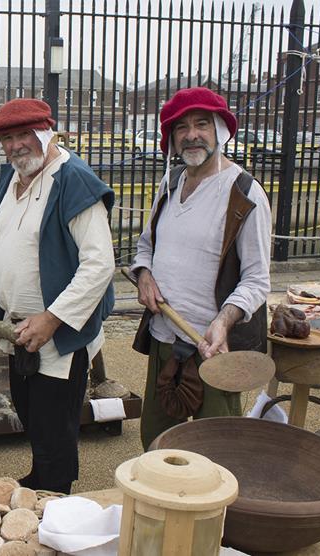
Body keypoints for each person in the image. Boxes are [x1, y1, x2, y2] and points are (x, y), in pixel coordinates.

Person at [0, 98, 116, 495]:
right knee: (31, 411)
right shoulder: (11, 178)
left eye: (24, 134)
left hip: (58, 331)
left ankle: (57, 494)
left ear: (44, 132)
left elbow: (99, 265)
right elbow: (0, 248)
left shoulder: (73, 179)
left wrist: (51, 319)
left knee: (56, 423)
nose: (15, 145)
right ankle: (41, 479)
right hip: (18, 328)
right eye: (6, 138)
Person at [130, 87, 271, 450]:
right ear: (172, 139)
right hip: (165, 338)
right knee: (159, 446)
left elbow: (257, 280)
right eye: (181, 128)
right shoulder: (171, 182)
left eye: (202, 124)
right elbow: (146, 246)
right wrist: (144, 275)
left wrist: (223, 322)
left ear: (220, 130)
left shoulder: (244, 192)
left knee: (218, 451)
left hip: (213, 349)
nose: (191, 135)